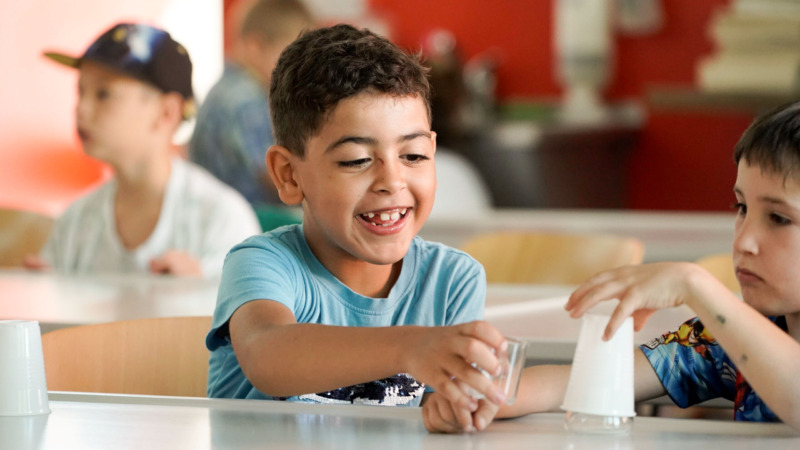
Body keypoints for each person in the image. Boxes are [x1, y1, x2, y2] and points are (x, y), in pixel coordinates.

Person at [423, 100, 800, 433]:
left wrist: (694, 283)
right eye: (741, 209)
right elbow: (585, 379)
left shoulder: (734, 329)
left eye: (779, 218)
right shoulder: (724, 340)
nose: (743, 241)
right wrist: (481, 397)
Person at [205, 24, 510, 417]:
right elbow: (267, 353)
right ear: (288, 175)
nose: (392, 181)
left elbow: (455, 404)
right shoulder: (264, 262)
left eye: (413, 155)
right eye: (356, 160)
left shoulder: (451, 280)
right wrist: (410, 347)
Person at [27, 22, 261, 277]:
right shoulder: (76, 219)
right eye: (80, 91)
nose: (80, 108)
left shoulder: (221, 218)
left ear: (166, 112)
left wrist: (201, 290)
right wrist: (46, 290)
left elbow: (249, 312)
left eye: (103, 94)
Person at [189, 0, 314, 210]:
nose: (300, 70)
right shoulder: (245, 101)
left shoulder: (223, 89)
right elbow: (276, 178)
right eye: (292, 57)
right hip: (249, 219)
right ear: (255, 46)